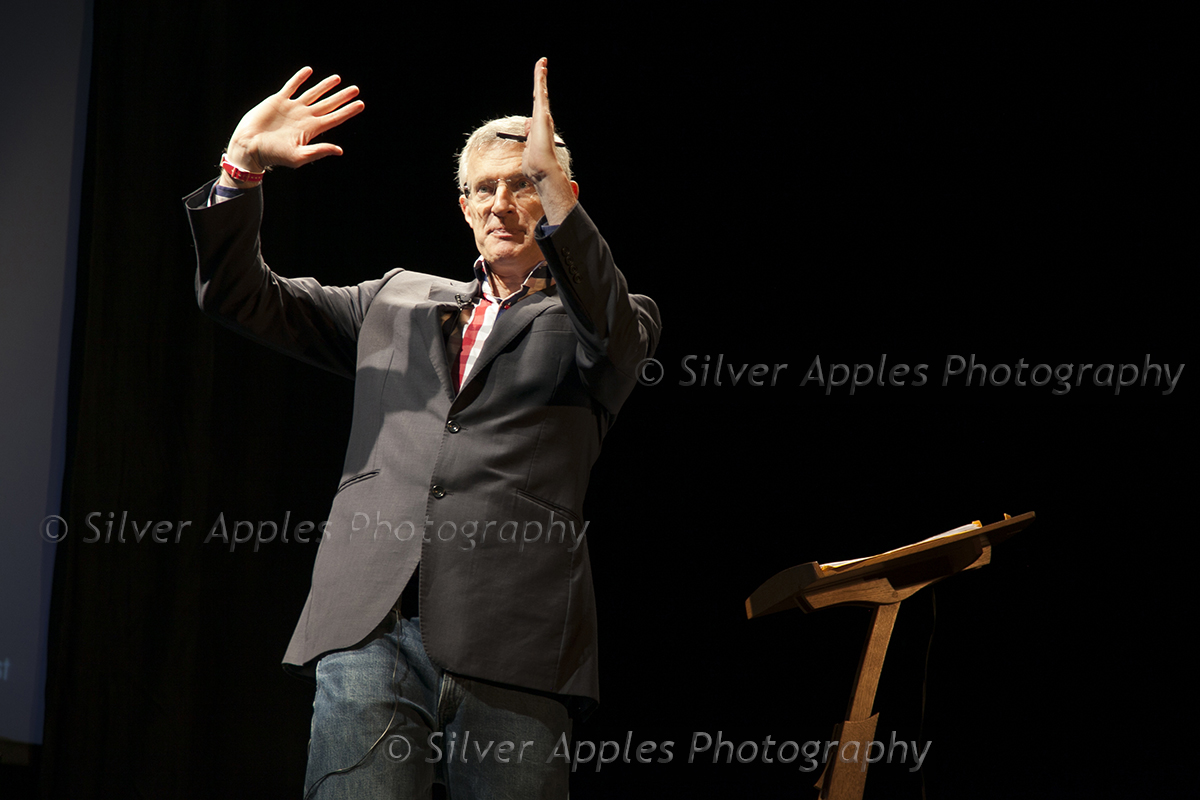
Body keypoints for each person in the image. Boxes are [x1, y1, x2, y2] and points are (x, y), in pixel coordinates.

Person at [183, 58, 660, 798]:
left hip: (516, 636)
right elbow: (240, 296)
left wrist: (561, 204)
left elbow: (617, 341)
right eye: (484, 189)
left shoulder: (608, 320)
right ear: (464, 206)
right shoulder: (395, 300)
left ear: (562, 198)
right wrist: (239, 171)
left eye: (524, 184)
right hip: (371, 624)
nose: (502, 203)